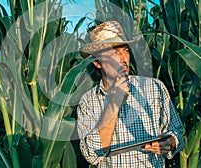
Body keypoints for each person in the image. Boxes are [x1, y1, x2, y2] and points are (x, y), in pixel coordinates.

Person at [77, 21, 184, 167]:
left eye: (125, 50)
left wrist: (170, 142)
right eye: (114, 52)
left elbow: (176, 131)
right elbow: (92, 154)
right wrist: (113, 104)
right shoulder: (88, 101)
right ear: (97, 62)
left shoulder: (154, 87)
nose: (123, 59)